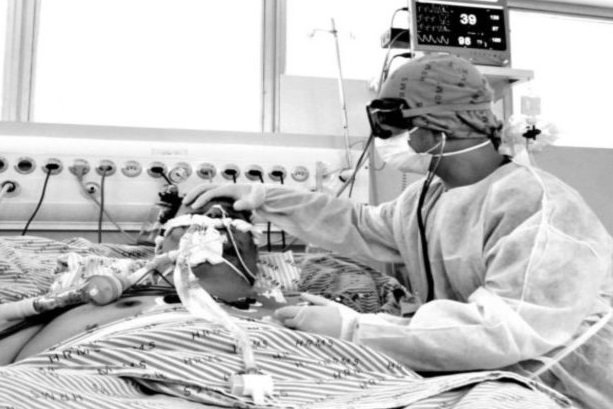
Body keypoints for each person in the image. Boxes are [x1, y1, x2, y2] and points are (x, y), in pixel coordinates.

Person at [183, 53, 613, 409]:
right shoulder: (429, 196)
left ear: (436, 129)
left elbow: (504, 328)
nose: (385, 138)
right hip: (481, 355)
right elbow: (362, 225)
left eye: (392, 124)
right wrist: (265, 198)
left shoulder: (537, 208)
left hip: (557, 376)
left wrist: (355, 329)